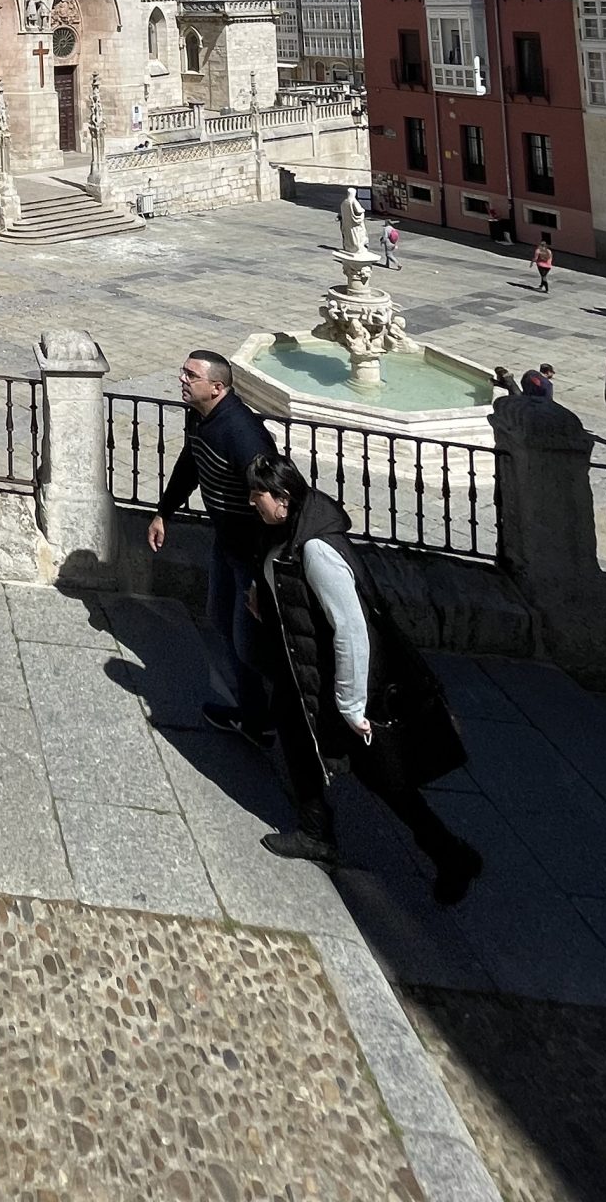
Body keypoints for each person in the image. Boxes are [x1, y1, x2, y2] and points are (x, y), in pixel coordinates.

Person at [246, 453, 482, 904]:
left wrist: (351, 705)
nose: (253, 505)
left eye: (258, 498)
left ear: (282, 497)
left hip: (340, 684)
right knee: (295, 738)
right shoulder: (288, 529)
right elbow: (282, 577)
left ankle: (451, 855)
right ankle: (317, 832)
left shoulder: (316, 549)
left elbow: (352, 630)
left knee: (386, 781)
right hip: (304, 674)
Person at [148, 351, 278, 743]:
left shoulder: (244, 436)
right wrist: (163, 513)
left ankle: (262, 718)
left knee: (244, 636)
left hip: (251, 556)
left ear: (217, 388)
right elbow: (190, 464)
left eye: (191, 375)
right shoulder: (199, 417)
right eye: (183, 372)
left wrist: (259, 577)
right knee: (219, 618)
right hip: (226, 542)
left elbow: (272, 510)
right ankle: (251, 706)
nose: (182, 379)